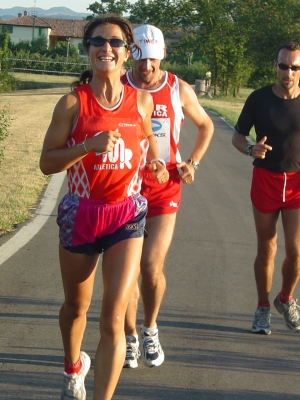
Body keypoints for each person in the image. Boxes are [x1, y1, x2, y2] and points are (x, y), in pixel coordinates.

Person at [39, 15, 169, 400]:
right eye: (97, 41)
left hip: (126, 215)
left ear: (129, 52)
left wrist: (156, 164)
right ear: (87, 49)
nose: (106, 48)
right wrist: (86, 147)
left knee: (113, 318)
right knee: (76, 309)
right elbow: (47, 162)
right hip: (81, 213)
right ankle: (72, 367)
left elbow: (148, 142)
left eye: (115, 42)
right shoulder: (72, 103)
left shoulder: (142, 102)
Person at [121, 24, 214, 368]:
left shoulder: (178, 88)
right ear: (132, 54)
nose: (146, 68)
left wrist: (193, 163)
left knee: (150, 267)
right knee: (128, 272)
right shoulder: (120, 86)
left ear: (162, 56)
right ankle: (130, 337)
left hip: (165, 187)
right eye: (141, 59)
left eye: (154, 61)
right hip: (127, 186)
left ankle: (149, 328)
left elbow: (206, 126)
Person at [232, 41, 300, 336]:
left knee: (296, 251)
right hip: (266, 180)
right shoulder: (259, 99)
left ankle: (285, 298)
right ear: (275, 67)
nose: (288, 72)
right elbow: (237, 136)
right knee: (267, 248)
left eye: (295, 67)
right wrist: (250, 149)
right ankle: (262, 308)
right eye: (283, 66)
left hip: (297, 182)